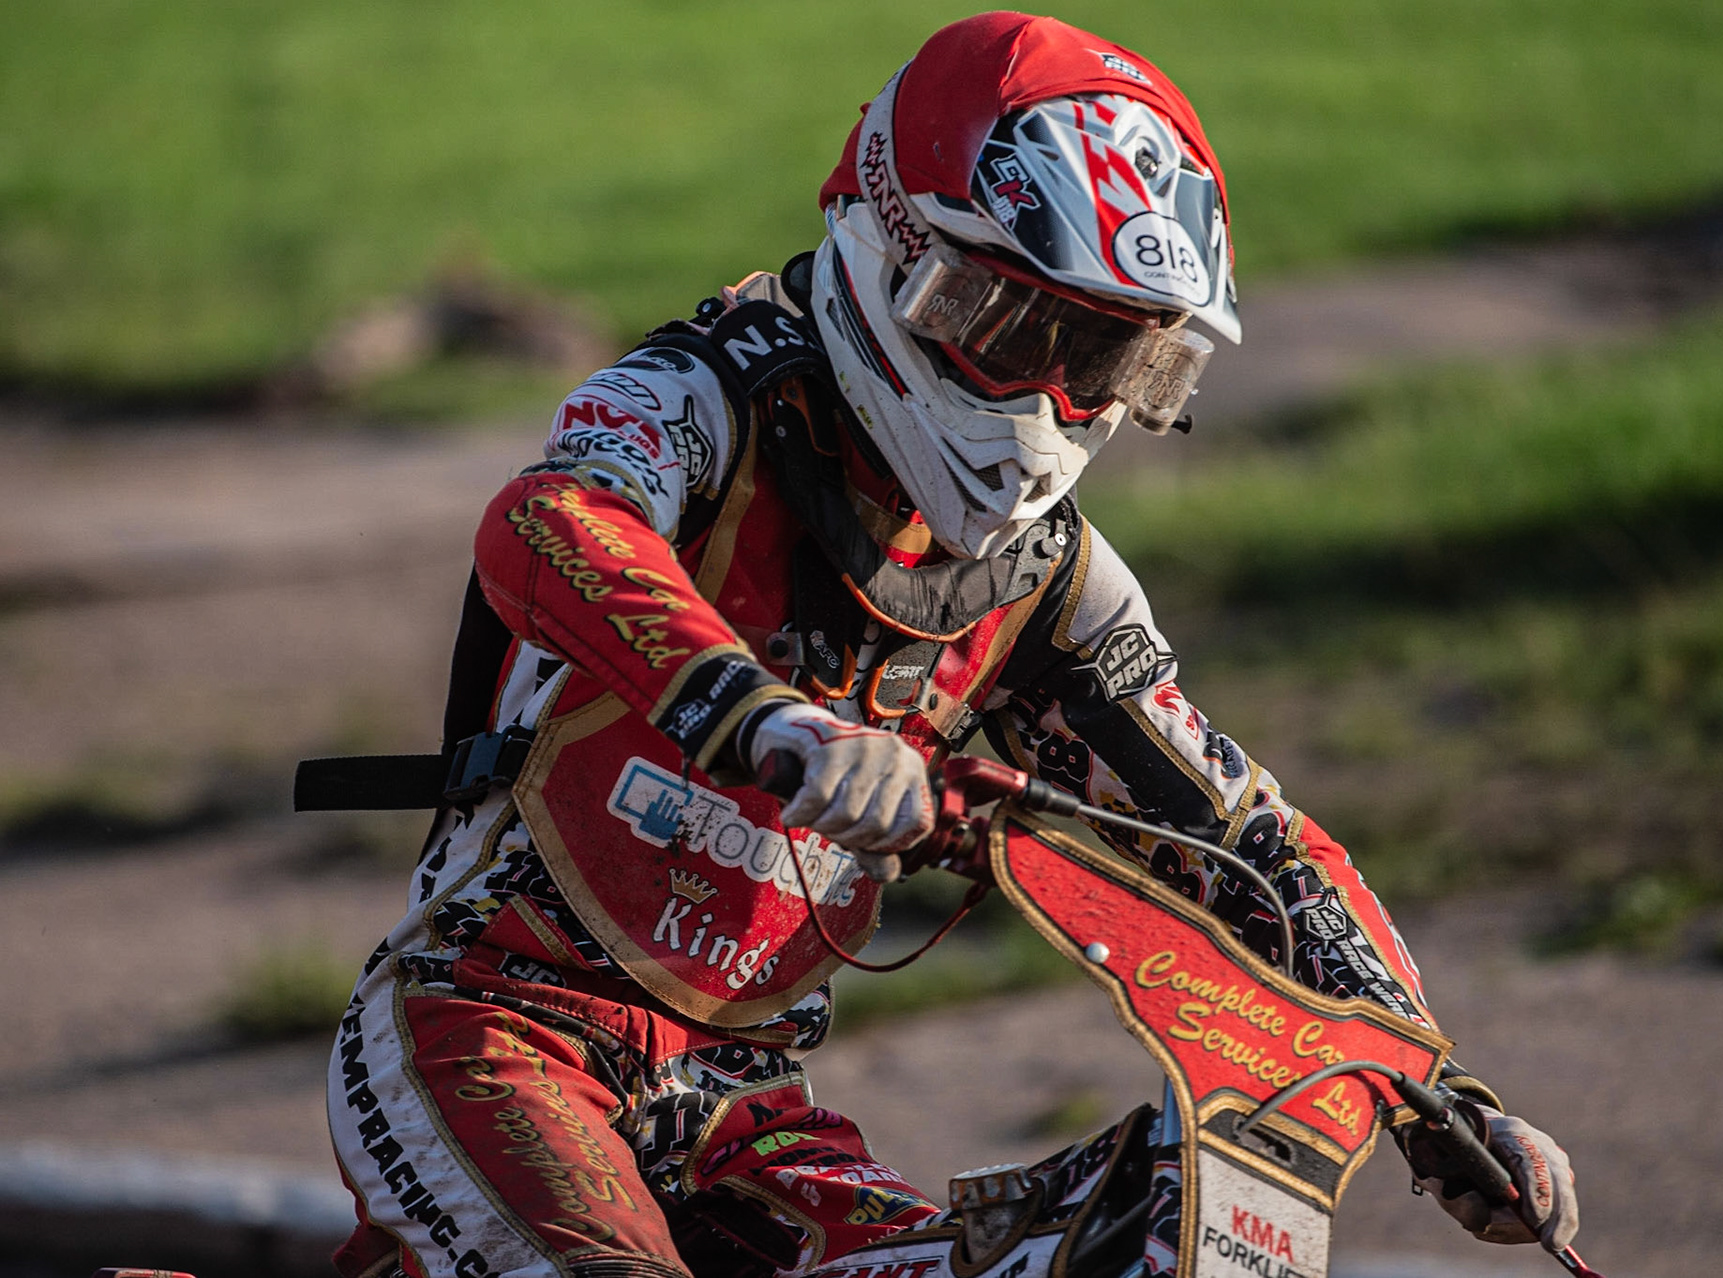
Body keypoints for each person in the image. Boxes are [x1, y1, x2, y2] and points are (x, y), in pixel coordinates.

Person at [323, 14, 1577, 1278]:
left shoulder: (1051, 584)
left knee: (1110, 1235)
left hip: (746, 1108)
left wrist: (1438, 1090)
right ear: (898, 247)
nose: (1052, 404)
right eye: (1021, 328)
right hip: (493, 1028)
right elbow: (549, 524)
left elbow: (1241, 842)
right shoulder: (701, 398)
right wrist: (770, 718)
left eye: (1111, 360)